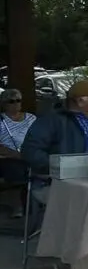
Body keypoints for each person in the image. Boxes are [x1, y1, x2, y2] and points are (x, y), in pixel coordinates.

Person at [21, 81, 88, 233]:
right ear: (80, 101)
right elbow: (30, 151)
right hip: (64, 182)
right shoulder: (53, 121)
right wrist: (61, 167)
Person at [0, 88, 36, 219]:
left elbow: (40, 137)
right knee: (16, 169)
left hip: (30, 153)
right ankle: (18, 205)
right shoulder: (1, 120)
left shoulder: (31, 118)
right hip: (8, 157)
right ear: (4, 104)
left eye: (18, 101)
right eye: (11, 101)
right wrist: (18, 155)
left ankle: (36, 203)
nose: (15, 104)